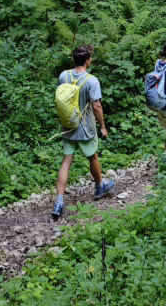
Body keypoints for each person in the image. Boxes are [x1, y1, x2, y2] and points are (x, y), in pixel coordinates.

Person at [53, 44, 114, 219]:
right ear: (87, 60)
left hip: (68, 126)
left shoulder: (64, 75)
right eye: (91, 57)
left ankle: (59, 202)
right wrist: (102, 126)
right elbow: (96, 106)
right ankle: (99, 187)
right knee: (92, 156)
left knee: (66, 162)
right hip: (85, 127)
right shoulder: (91, 80)